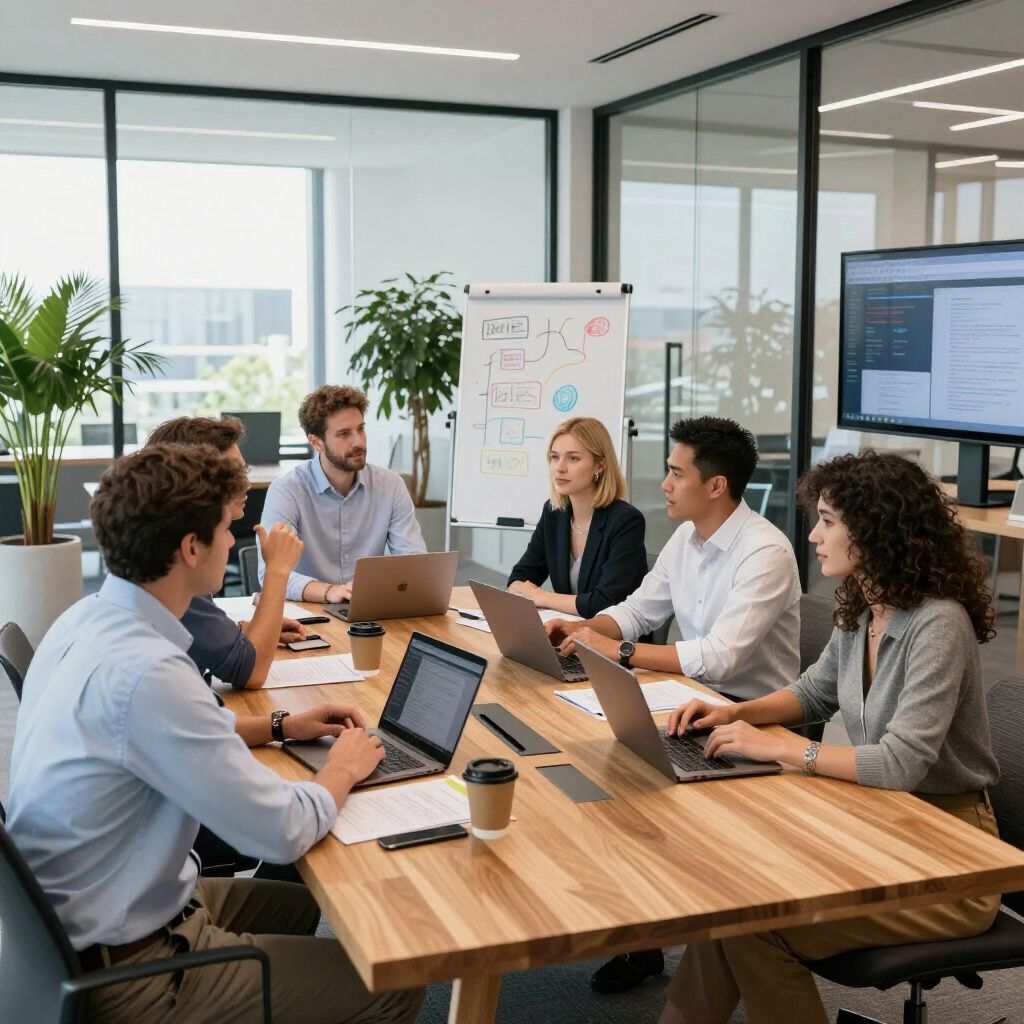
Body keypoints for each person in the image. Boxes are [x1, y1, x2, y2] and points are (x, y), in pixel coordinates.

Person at [6, 444, 422, 1024]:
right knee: (396, 988)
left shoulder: (86, 621)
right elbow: (278, 832)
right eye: (228, 528)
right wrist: (341, 770)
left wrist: (283, 724)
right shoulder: (148, 672)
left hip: (78, 924)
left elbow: (164, 730)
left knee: (302, 906)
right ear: (190, 547)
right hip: (130, 972)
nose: (236, 540)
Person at [658, 450, 1000, 1024]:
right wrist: (735, 714)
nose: (814, 534)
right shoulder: (866, 609)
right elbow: (813, 693)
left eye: (829, 521)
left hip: (954, 858)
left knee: (758, 922)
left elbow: (899, 765)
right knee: (732, 900)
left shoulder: (938, 622)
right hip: (885, 823)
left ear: (875, 530)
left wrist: (787, 748)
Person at [547, 416, 801, 994]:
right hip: (693, 700)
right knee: (597, 759)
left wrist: (621, 650)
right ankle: (647, 936)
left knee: (627, 780)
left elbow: (721, 659)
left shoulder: (764, 552)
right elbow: (638, 609)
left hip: (751, 711)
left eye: (674, 472)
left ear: (715, 486)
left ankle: (672, 925)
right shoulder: (688, 538)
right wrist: (586, 629)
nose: (662, 483)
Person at [146, 414, 306, 689]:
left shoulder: (164, 540)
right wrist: (277, 570)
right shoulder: (178, 564)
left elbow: (192, 634)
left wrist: (247, 629)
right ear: (193, 482)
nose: (245, 485)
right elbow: (251, 672)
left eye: (243, 472)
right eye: (232, 476)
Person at [260, 385, 426, 603]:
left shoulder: (391, 485)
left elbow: (413, 561)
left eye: (361, 429)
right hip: (309, 610)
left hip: (371, 607)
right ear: (316, 442)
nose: (358, 441)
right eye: (344, 434)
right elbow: (270, 574)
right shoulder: (287, 490)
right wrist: (329, 591)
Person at [507, 416, 647, 617]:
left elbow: (605, 604)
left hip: (613, 641)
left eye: (573, 458)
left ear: (600, 465)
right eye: (555, 457)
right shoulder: (554, 513)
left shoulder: (626, 521)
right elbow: (519, 578)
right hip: (566, 630)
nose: (559, 467)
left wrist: (540, 596)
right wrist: (528, 591)